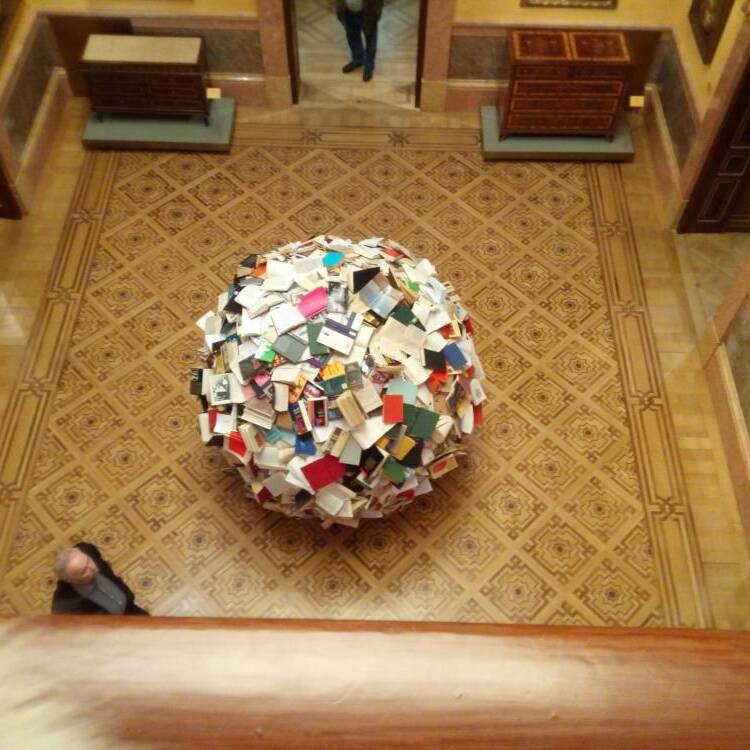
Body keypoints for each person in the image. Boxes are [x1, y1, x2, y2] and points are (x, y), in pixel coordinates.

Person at [51, 542, 148, 616]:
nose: (92, 567)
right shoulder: (65, 608)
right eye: (84, 571)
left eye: (88, 560)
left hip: (131, 608)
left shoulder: (86, 550)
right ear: (71, 580)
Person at [336, 0, 384, 82]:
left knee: (371, 41)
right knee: (353, 38)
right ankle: (358, 60)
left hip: (368, 12)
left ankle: (369, 67)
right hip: (347, 12)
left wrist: (377, 13)